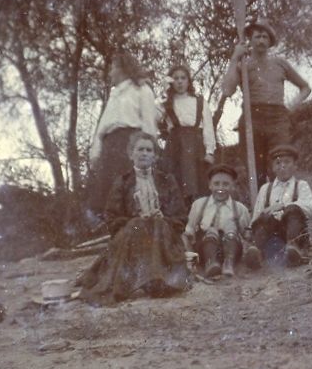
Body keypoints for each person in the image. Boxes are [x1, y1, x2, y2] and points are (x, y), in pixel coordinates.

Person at [80, 131, 190, 303]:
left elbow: (180, 217)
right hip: (132, 236)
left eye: (149, 150)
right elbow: (111, 218)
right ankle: (140, 280)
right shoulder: (123, 182)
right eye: (140, 149)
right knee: (137, 225)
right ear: (131, 154)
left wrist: (164, 217)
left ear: (155, 156)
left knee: (158, 224)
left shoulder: (167, 180)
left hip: (162, 235)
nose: (144, 153)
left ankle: (158, 280)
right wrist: (135, 219)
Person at [222, 17, 311, 186]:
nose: (261, 41)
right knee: (255, 170)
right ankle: (260, 200)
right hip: (252, 118)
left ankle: (283, 199)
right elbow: (227, 90)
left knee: (281, 161)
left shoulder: (280, 64)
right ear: (250, 40)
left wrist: (290, 107)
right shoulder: (243, 65)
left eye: (265, 37)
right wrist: (235, 57)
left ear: (270, 42)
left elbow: (305, 88)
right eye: (257, 36)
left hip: (278, 118)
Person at [87, 52, 158, 215]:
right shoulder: (114, 94)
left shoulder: (142, 90)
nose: (110, 73)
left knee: (127, 187)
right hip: (109, 145)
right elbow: (102, 127)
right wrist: (96, 151)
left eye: (113, 68)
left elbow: (149, 123)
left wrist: (149, 151)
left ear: (122, 69)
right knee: (105, 190)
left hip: (130, 143)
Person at [244, 144, 312, 269]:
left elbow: (310, 208)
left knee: (293, 210)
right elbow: (257, 214)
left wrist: (283, 206)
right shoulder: (266, 188)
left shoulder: (301, 185)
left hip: (293, 232)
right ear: (273, 168)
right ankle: (256, 253)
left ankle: (293, 250)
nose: (282, 166)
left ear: (295, 166)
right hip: (271, 234)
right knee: (265, 217)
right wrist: (251, 230)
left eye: (287, 162)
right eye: (278, 163)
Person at [159, 63, 216, 205]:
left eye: (183, 78)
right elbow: (153, 116)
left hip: (196, 146)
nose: (179, 81)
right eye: (176, 78)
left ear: (188, 81)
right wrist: (164, 92)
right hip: (175, 146)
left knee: (197, 181)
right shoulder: (166, 102)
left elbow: (208, 127)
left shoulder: (199, 101)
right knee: (175, 181)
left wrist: (209, 151)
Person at [183, 164, 251, 278]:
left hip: (231, 250)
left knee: (230, 228)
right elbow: (189, 232)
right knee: (211, 231)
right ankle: (211, 264)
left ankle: (228, 264)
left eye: (226, 184)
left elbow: (247, 236)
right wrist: (190, 256)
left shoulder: (240, 209)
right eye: (216, 184)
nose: (220, 188)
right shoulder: (199, 205)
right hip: (205, 250)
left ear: (233, 186)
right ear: (210, 185)